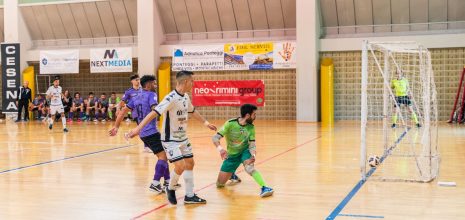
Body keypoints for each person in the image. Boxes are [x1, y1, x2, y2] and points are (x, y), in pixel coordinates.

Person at [127, 71, 217, 205]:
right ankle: (170, 188)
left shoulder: (186, 97)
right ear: (186, 82)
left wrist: (206, 123)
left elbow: (193, 111)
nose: (193, 84)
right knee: (180, 166)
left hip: (183, 138)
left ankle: (189, 195)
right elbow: (154, 113)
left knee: (190, 164)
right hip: (170, 140)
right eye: (192, 81)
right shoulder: (171, 98)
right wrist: (138, 129)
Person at [110, 75, 172, 193]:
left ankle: (168, 182)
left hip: (142, 133)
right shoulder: (152, 95)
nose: (156, 85)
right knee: (163, 156)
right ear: (148, 85)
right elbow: (155, 110)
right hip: (150, 131)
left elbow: (122, 111)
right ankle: (155, 183)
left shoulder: (135, 97)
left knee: (163, 155)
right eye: (154, 83)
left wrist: (116, 127)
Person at [212, 104, 274, 197]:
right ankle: (232, 174)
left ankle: (265, 187)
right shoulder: (230, 123)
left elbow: (252, 145)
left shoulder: (251, 127)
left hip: (245, 151)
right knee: (219, 185)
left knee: (249, 168)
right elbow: (215, 138)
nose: (255, 117)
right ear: (248, 115)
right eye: (254, 114)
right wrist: (220, 150)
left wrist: (253, 156)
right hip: (232, 155)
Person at [120, 74, 151, 152]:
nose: (138, 81)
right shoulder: (128, 92)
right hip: (136, 114)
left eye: (139, 79)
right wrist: (129, 108)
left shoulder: (143, 90)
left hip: (145, 112)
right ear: (132, 81)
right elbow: (122, 103)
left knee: (143, 128)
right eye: (136, 80)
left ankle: (128, 134)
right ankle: (146, 147)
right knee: (144, 129)